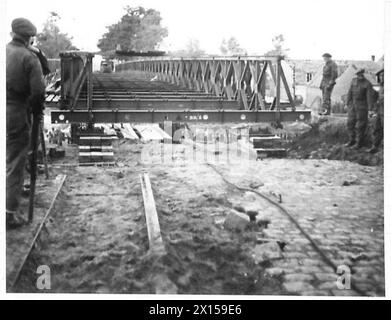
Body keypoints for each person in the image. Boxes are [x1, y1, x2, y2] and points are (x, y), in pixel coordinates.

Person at [6, 18, 46, 229]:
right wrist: (35, 110)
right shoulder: (29, 57)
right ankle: (9, 213)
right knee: (15, 162)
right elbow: (38, 92)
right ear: (29, 37)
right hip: (16, 113)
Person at [345, 68, 374, 150]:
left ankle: (359, 143)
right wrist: (347, 103)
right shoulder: (353, 81)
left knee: (360, 126)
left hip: (362, 107)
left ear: (363, 74)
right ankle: (351, 140)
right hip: (353, 106)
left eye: (361, 75)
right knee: (350, 123)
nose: (359, 76)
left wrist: (370, 109)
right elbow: (349, 93)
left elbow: (369, 98)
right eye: (358, 75)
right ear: (356, 75)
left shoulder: (367, 84)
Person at [368, 69, 384, 153]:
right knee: (377, 128)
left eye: (383, 76)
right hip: (380, 111)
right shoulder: (380, 87)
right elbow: (378, 99)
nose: (381, 78)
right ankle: (375, 146)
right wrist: (374, 110)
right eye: (380, 76)